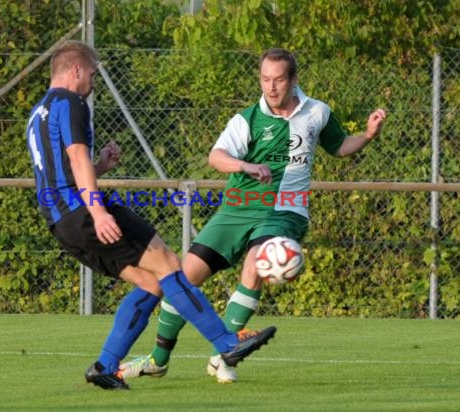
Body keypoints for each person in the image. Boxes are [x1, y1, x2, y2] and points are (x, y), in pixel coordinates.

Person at [120, 47, 387, 383]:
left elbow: (338, 146)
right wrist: (244, 165)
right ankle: (158, 360)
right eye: (265, 79)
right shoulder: (246, 119)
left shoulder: (317, 112)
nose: (271, 87)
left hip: (285, 209)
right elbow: (216, 156)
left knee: (256, 262)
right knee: (182, 281)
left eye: (278, 80)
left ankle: (225, 355)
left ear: (293, 80)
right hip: (236, 209)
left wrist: (367, 136)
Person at [25, 40, 277, 390]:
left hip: (61, 223)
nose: (94, 81)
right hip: (85, 211)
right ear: (76, 69)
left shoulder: (38, 112)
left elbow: (64, 171)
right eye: (93, 72)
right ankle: (227, 343)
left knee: (152, 282)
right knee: (170, 265)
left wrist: (102, 167)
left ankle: (104, 366)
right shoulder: (71, 103)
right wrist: (98, 211)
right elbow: (78, 161)